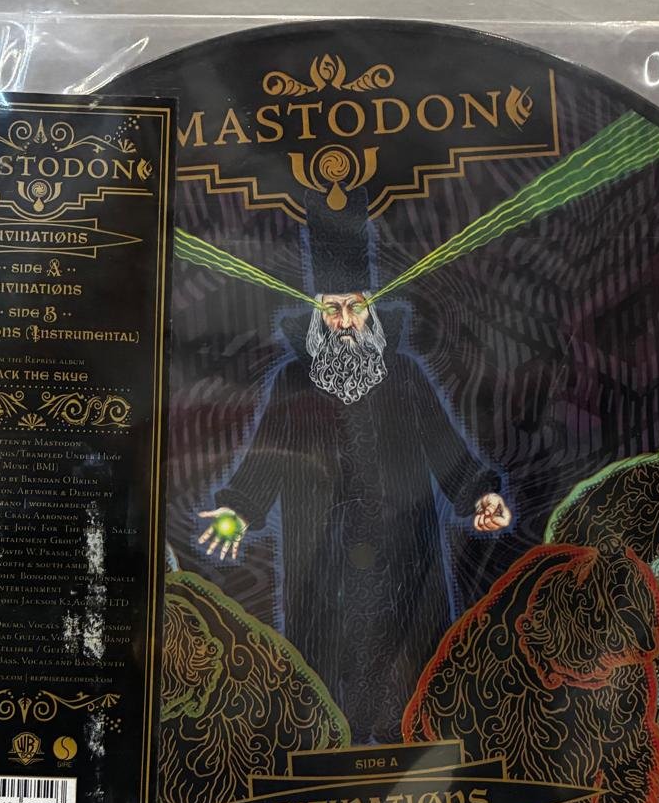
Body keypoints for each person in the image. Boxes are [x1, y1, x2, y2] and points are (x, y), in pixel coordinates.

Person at [198, 288, 509, 744]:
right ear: (316, 315)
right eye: (331, 308)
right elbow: (269, 457)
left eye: (355, 307)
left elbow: (446, 450)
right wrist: (239, 508)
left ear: (373, 311)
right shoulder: (293, 379)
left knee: (408, 686)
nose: (344, 322)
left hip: (404, 562)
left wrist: (482, 496)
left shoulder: (405, 375)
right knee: (323, 684)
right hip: (322, 564)